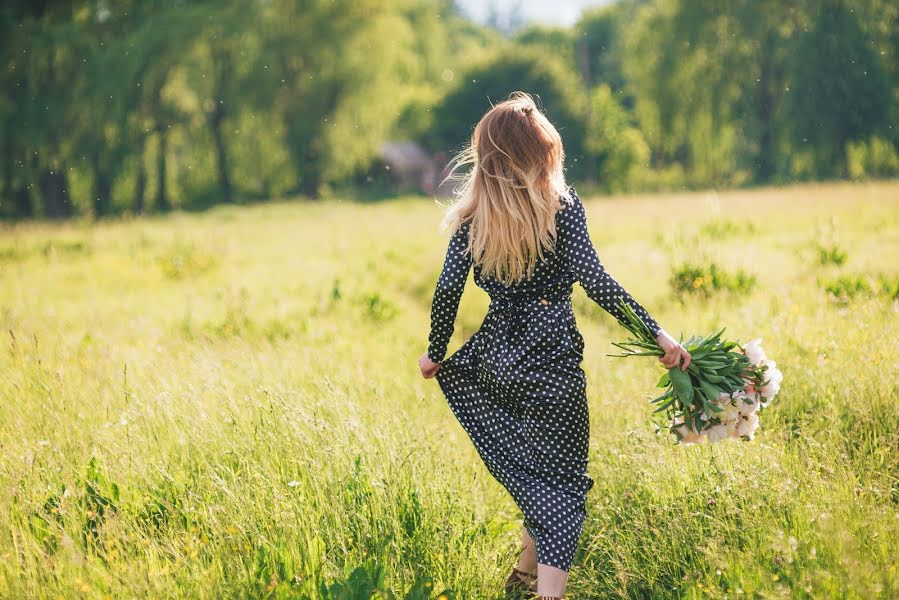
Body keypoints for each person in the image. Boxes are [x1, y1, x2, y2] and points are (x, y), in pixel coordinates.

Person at [417, 91, 690, 599]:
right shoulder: (561, 207)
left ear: (489, 157)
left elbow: (448, 290)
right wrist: (657, 334)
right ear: (542, 153)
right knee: (563, 488)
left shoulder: (473, 217)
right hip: (550, 366)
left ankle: (521, 579)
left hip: (493, 363)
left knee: (537, 474)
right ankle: (550, 594)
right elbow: (597, 281)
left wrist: (435, 352)